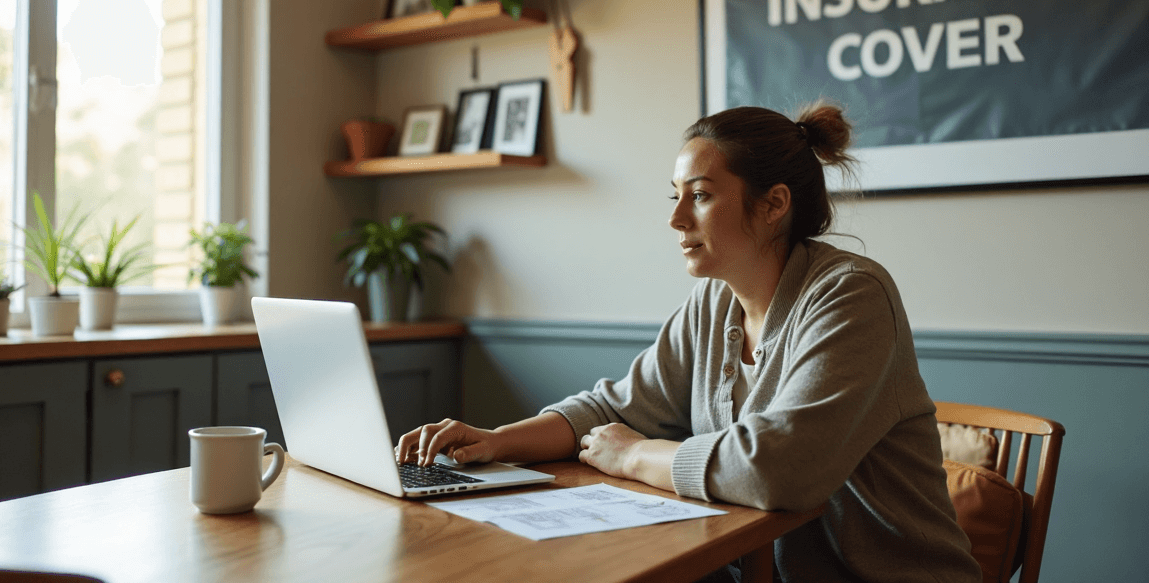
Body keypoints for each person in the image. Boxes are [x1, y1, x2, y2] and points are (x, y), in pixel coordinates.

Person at [395, 103, 982, 583]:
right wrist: (498, 443)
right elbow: (614, 408)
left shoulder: (852, 296)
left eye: (699, 195)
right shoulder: (713, 302)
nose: (676, 219)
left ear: (775, 204)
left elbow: (777, 471)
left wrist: (632, 455)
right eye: (674, 195)